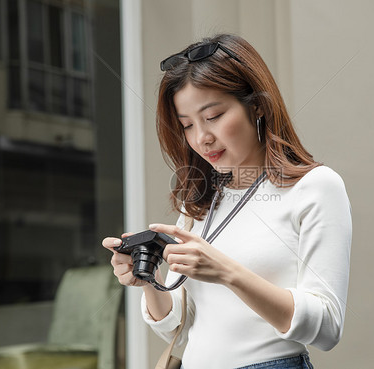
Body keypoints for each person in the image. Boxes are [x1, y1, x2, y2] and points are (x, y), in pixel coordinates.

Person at [102, 33, 352, 369]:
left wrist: (225, 271)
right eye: (187, 125)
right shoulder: (202, 201)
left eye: (214, 116)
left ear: (258, 105)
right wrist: (147, 280)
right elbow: (178, 325)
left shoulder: (316, 187)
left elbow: (326, 327)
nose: (202, 138)